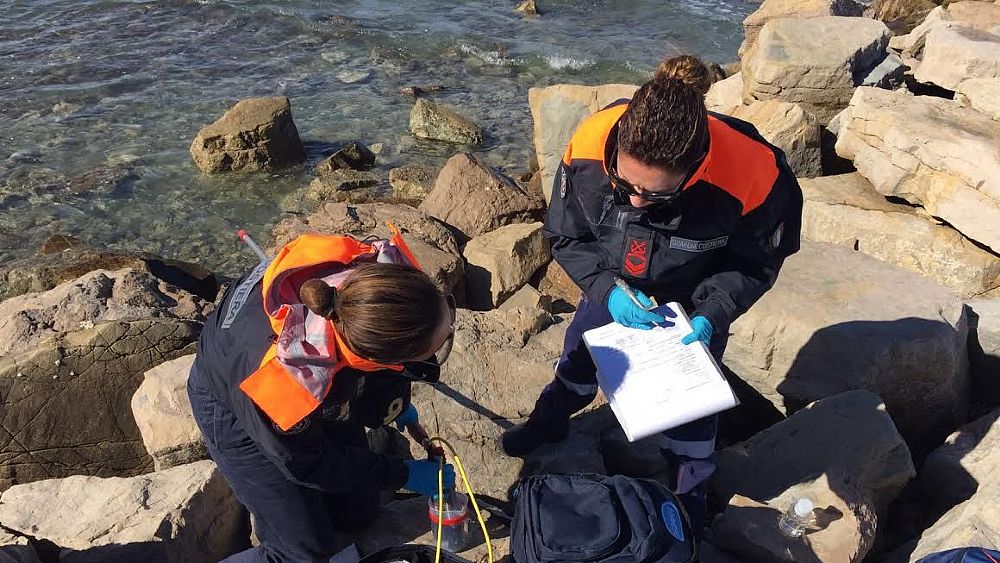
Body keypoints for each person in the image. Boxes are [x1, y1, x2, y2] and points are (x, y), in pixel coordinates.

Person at [500, 55, 803, 529]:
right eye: (624, 184)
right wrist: (608, 290)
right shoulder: (589, 144)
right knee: (580, 353)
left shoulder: (755, 171)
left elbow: (755, 261)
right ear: (617, 145)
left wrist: (712, 313)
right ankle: (550, 420)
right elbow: (567, 236)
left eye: (656, 195)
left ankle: (691, 494)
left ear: (696, 166)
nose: (637, 201)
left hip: (696, 299)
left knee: (693, 406)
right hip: (616, 282)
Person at [187, 230, 458, 563]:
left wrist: (395, 402)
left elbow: (385, 352)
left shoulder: (382, 277)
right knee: (303, 553)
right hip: (233, 400)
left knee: (358, 512)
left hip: (299, 376)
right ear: (384, 357)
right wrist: (405, 474)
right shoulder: (287, 386)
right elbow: (308, 462)